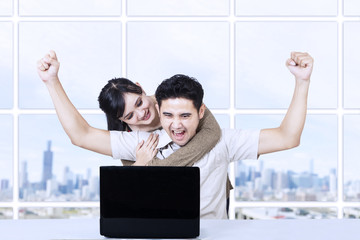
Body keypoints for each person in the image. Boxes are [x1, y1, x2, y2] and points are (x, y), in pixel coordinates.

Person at [108, 52, 314, 218]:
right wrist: (138, 167)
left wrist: (302, 82)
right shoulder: (140, 144)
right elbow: (83, 137)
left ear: (201, 112)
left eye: (185, 115)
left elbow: (287, 137)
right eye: (168, 115)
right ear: (159, 111)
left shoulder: (222, 140)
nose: (176, 124)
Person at [37, 50, 233, 211]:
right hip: (166, 203)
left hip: (210, 195)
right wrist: (52, 81)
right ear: (121, 120)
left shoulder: (171, 98)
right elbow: (81, 135)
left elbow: (212, 132)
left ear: (140, 87)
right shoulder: (130, 140)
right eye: (130, 116)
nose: (141, 113)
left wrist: (153, 168)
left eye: (139, 102)